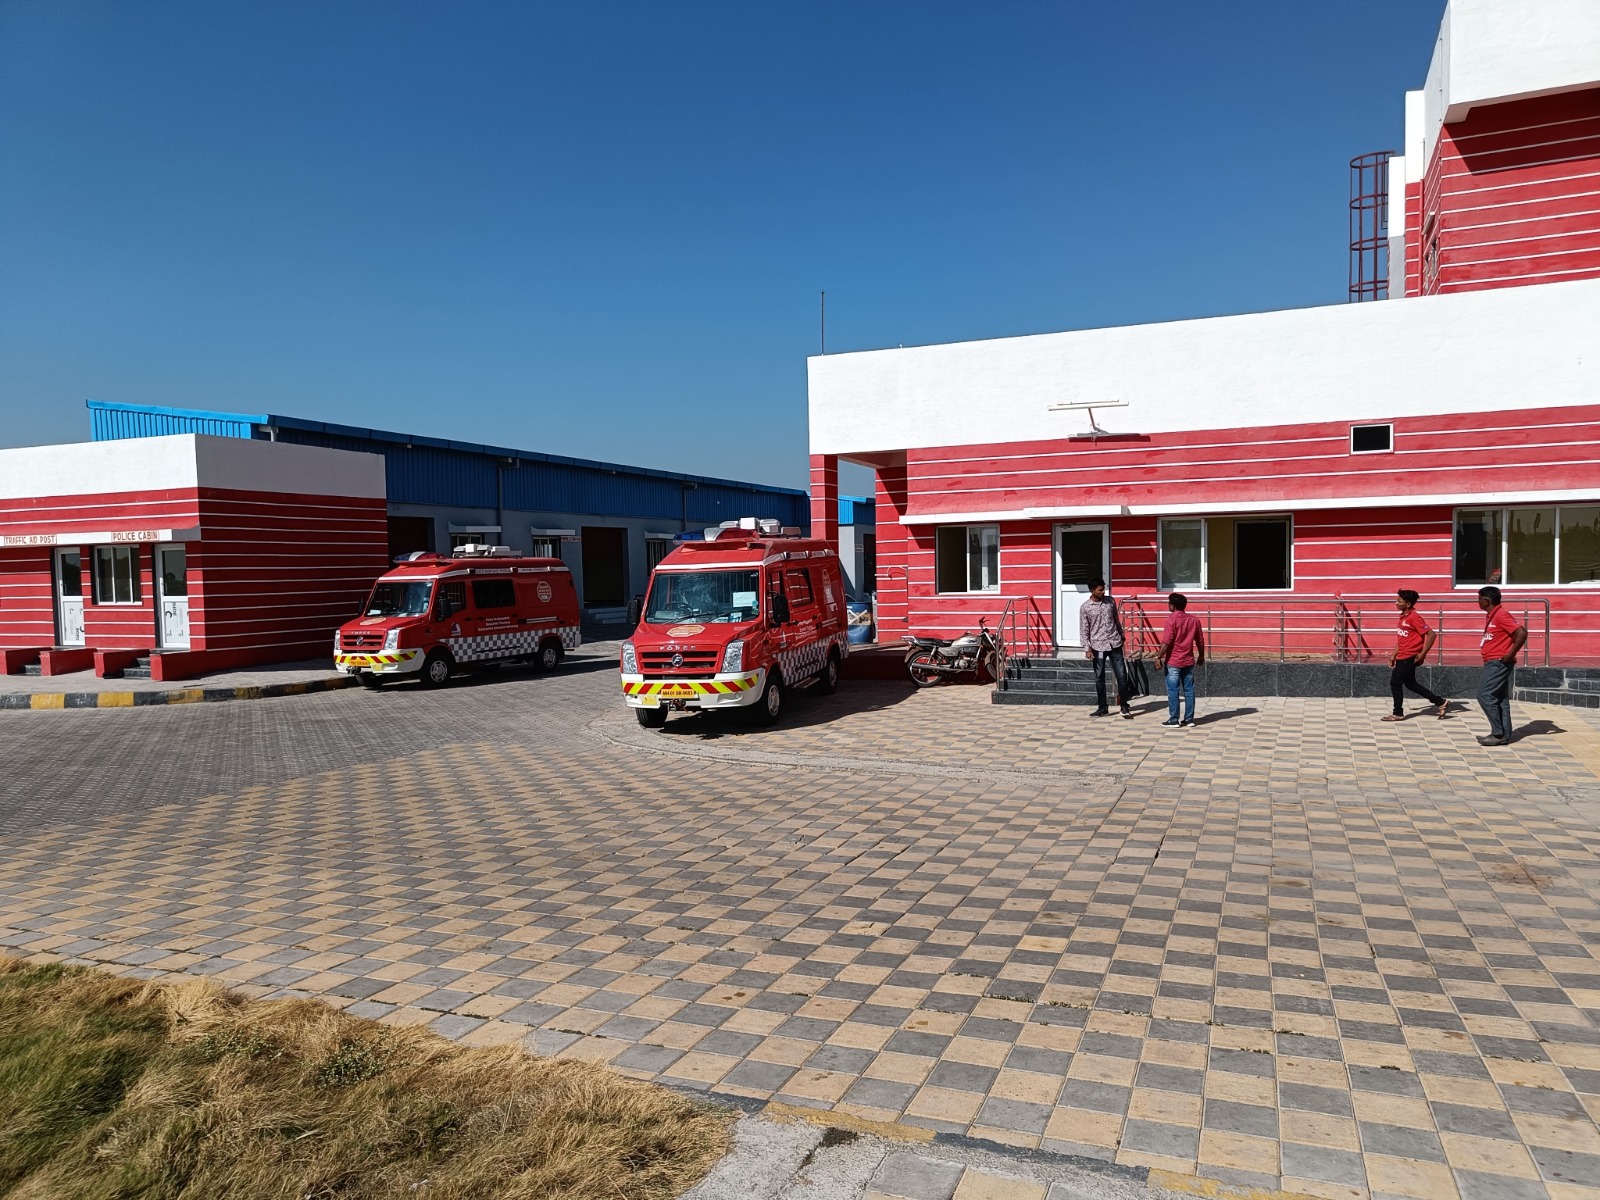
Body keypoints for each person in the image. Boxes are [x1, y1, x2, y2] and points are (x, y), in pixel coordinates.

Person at [1385, 589, 1448, 722]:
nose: (1396, 603)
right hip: (1401, 655)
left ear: (1408, 604)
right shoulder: (1403, 617)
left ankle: (1398, 713)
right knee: (1411, 684)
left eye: (1399, 601)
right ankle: (1440, 702)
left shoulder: (1414, 617)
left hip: (1409, 656)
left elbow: (1431, 634)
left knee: (1395, 682)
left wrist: (1423, 653)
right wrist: (1393, 655)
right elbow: (1402, 639)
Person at [1476, 586, 1527, 746]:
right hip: (1493, 661)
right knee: (1500, 698)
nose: (1478, 602)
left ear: (1486, 601)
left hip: (1498, 662)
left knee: (1484, 695)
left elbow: (1521, 633)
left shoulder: (1501, 615)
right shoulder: (1493, 615)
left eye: (1479, 599)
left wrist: (1510, 654)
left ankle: (1497, 733)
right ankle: (1504, 735)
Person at [1080, 578, 1133, 719]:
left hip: (1114, 643)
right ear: (1092, 590)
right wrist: (1087, 648)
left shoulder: (1110, 601)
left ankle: (1124, 706)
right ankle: (1102, 707)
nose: (1103, 592)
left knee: (1122, 675)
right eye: (1100, 590)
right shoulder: (1085, 607)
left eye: (1103, 589)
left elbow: (1116, 619)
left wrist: (1121, 634)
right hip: (1098, 646)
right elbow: (1084, 629)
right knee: (1099, 677)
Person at [1156, 592, 1204, 728]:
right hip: (1188, 660)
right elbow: (1200, 640)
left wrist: (1158, 657)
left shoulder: (1171, 620)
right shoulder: (1194, 620)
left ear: (1173, 606)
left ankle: (1174, 719)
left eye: (1169, 603)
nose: (1168, 605)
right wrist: (1201, 655)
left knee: (1173, 691)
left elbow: (1167, 641)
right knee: (1189, 690)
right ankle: (1189, 719)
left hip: (1173, 661)